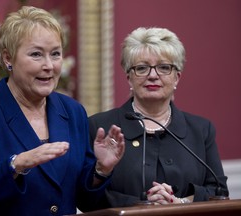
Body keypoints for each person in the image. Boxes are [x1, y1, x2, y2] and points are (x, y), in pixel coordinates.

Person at [0, 6, 125, 216]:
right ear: (8, 58)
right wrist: (16, 165)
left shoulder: (73, 111)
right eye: (36, 54)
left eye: (55, 54)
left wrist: (100, 170)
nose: (49, 65)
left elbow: (84, 199)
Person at [89, 27, 229, 208]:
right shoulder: (100, 126)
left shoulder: (201, 130)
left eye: (164, 67)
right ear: (129, 78)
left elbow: (220, 192)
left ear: (177, 78)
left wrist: (180, 203)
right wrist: (143, 204)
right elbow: (85, 199)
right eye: (142, 68)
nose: (153, 75)